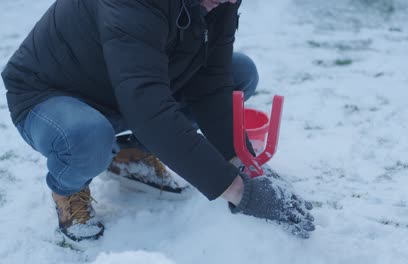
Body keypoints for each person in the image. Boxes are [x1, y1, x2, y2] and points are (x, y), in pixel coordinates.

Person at [1, 0, 315, 242]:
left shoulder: (220, 1)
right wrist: (237, 191)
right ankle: (68, 189)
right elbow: (148, 108)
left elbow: (213, 83)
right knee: (88, 137)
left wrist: (246, 166)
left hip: (124, 88)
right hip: (53, 93)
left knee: (239, 73)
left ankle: (130, 152)